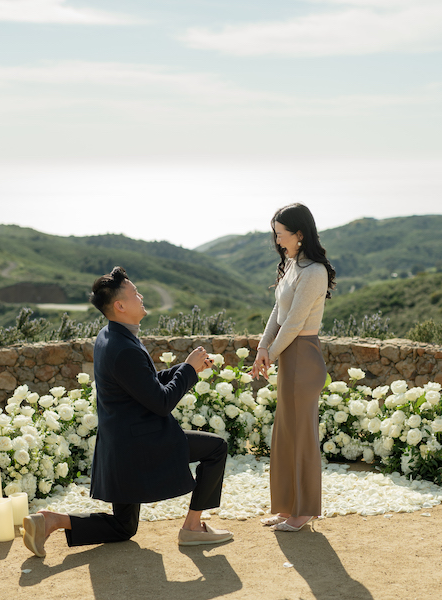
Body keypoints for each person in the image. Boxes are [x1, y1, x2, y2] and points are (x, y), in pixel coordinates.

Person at [22, 266, 234, 557]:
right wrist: (188, 369)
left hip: (120, 445)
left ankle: (52, 520)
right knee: (216, 448)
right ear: (120, 305)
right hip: (141, 445)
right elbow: (161, 403)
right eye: (135, 293)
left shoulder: (110, 336)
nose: (141, 296)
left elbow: (142, 385)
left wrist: (183, 368)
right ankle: (193, 528)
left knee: (123, 527)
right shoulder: (124, 348)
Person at [251, 203, 336, 532]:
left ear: (299, 234)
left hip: (302, 354)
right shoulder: (291, 264)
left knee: (301, 436)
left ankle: (303, 513)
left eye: (281, 234)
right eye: (275, 234)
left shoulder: (315, 271)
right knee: (285, 434)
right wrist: (262, 347)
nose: (277, 241)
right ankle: (287, 508)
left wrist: (269, 353)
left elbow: (295, 323)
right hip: (287, 355)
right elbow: (277, 311)